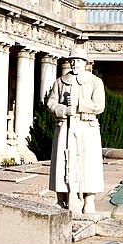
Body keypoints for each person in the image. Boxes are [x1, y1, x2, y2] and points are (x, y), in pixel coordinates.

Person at [47, 47, 105, 214]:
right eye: (72, 60)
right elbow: (51, 103)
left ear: (85, 63)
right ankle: (61, 198)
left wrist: (79, 104)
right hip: (65, 126)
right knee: (62, 162)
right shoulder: (60, 81)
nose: (74, 64)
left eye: (78, 61)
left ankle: (89, 200)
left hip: (87, 127)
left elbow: (99, 106)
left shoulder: (95, 82)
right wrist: (63, 110)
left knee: (88, 164)